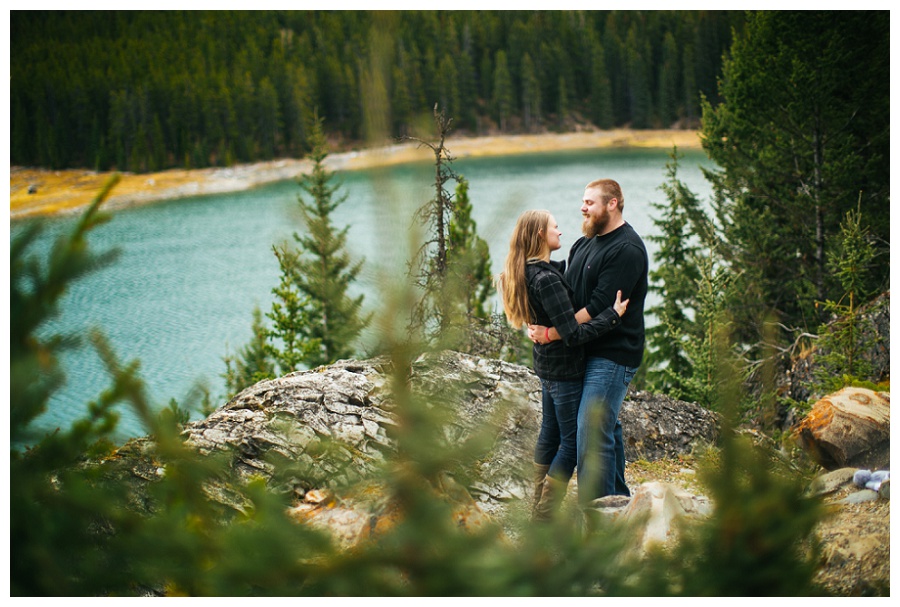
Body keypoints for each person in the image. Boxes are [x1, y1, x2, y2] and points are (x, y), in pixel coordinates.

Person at [499, 209, 628, 521]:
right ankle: (544, 515)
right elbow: (572, 335)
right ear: (541, 234)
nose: (561, 232)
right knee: (570, 444)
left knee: (549, 435)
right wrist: (612, 316)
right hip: (564, 372)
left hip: (546, 369)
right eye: (555, 227)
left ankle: (535, 505)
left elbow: (553, 322)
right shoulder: (545, 280)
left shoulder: (527, 272)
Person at [529, 179, 648, 507]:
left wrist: (553, 332)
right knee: (605, 424)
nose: (582, 208)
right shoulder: (585, 243)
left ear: (612, 204)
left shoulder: (627, 250)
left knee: (591, 430)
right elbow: (566, 290)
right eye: (583, 202)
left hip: (613, 351)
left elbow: (596, 307)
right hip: (585, 347)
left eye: (589, 203)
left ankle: (597, 518)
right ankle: (617, 502)